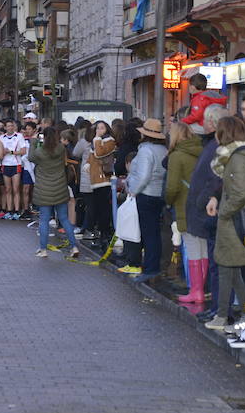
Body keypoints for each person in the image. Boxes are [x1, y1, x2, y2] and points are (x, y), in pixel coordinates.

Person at [202, 117, 245, 346]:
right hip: (241, 221)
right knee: (243, 273)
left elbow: (239, 193)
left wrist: (224, 211)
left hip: (237, 223)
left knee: (239, 272)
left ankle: (240, 319)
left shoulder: (237, 159)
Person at [185, 104, 229, 321]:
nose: (201, 123)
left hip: (212, 211)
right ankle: (217, 309)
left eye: (204, 119)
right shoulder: (211, 145)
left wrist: (206, 198)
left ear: (212, 122)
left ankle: (221, 310)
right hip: (206, 208)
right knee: (214, 263)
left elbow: (216, 178)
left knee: (218, 263)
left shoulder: (218, 147)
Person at [164, 121, 203, 303]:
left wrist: (168, 201)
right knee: (203, 249)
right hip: (201, 205)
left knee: (192, 248)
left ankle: (196, 290)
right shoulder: (201, 151)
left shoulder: (176, 156)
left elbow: (172, 187)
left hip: (184, 205)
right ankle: (202, 288)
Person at [125, 118, 168, 282]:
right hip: (159, 194)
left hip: (146, 194)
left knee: (148, 234)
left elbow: (143, 176)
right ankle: (153, 266)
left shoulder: (145, 151)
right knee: (155, 233)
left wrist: (133, 191)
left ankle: (150, 269)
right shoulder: (163, 149)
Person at [29, 126, 80, 258]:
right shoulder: (61, 149)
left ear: (44, 137)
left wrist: (33, 141)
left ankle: (43, 249)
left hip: (44, 191)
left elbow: (30, 157)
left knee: (44, 220)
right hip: (60, 189)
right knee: (64, 219)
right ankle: (74, 247)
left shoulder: (40, 152)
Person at [87, 121, 117, 245]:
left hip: (104, 178)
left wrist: (98, 139)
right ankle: (100, 230)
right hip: (95, 179)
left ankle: (105, 232)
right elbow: (91, 156)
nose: (99, 130)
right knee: (98, 207)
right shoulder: (95, 142)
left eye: (102, 128)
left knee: (104, 208)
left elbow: (99, 153)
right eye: (97, 128)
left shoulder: (109, 141)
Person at [0, 119, 27, 218]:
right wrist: (3, 152)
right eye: (8, 126)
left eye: (12, 126)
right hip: (5, 164)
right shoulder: (2, 137)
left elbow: (23, 151)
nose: (10, 128)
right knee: (8, 189)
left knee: (15, 189)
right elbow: (0, 152)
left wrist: (11, 152)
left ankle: (16, 211)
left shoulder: (19, 136)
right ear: (5, 127)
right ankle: (9, 210)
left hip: (16, 164)